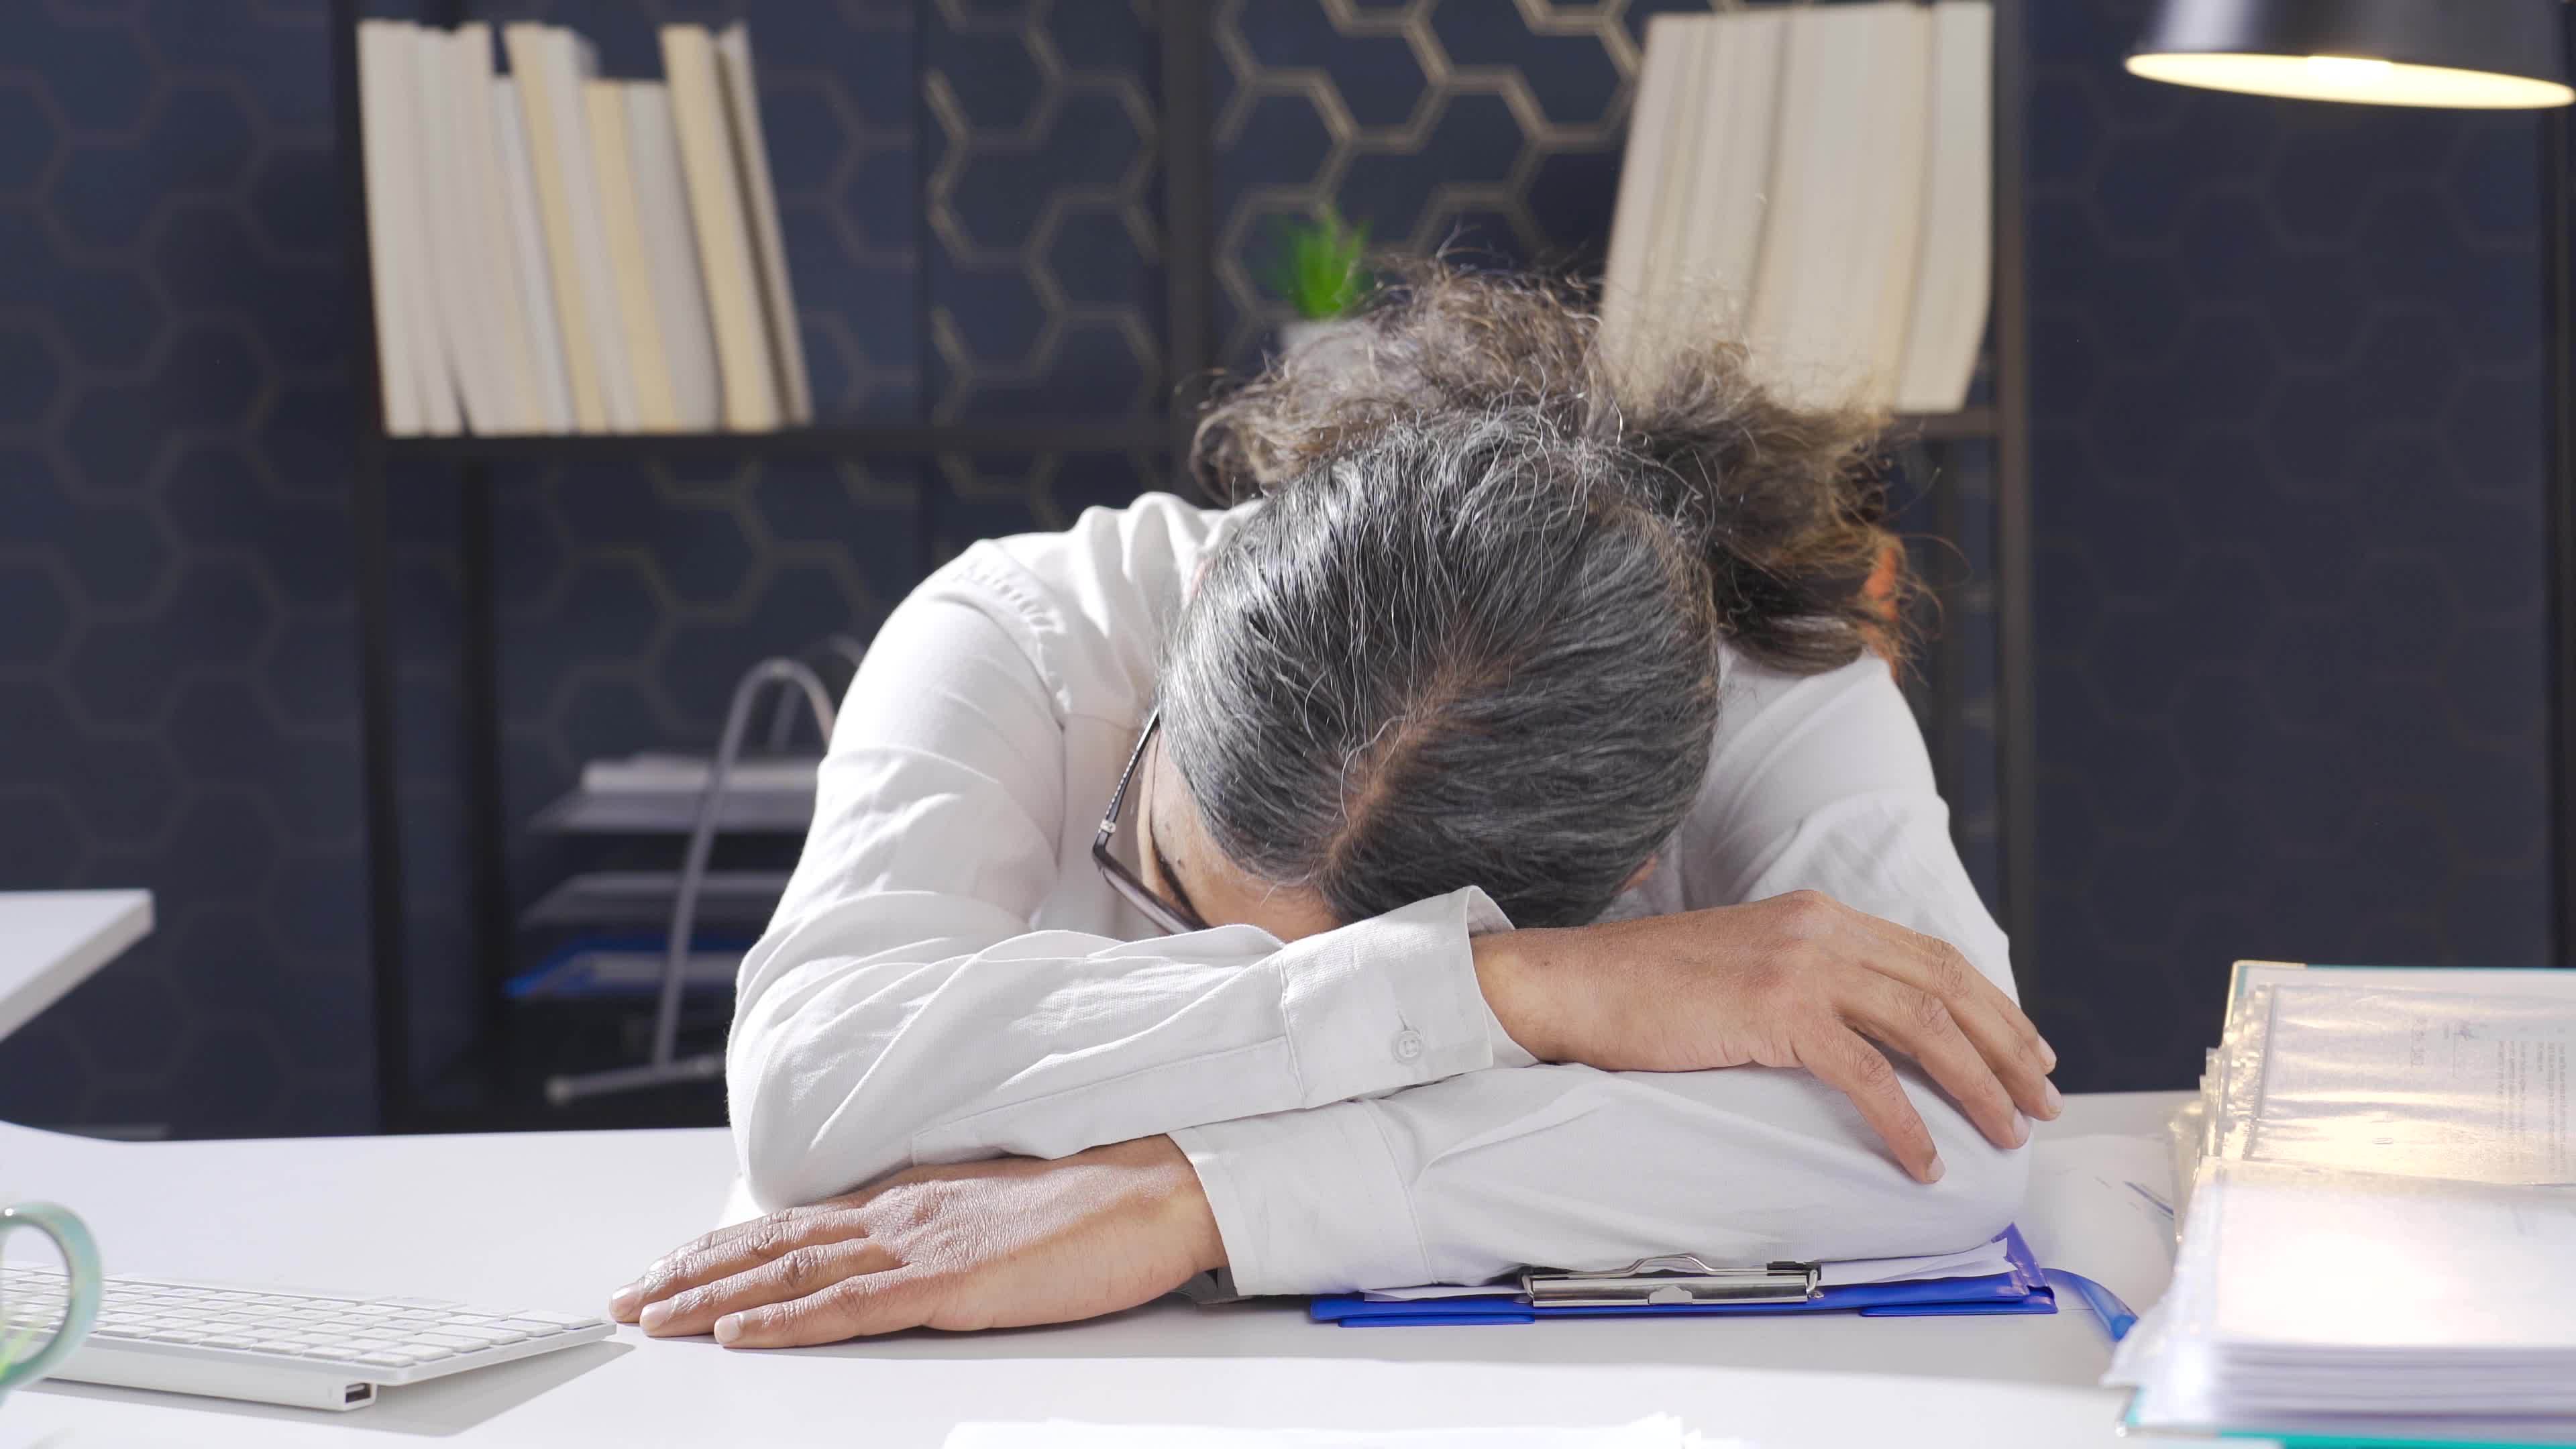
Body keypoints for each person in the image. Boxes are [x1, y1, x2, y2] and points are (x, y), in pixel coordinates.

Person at [609, 266, 2060, 1348]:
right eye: (1170, 881)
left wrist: (1205, 1195)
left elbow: (1954, 1140)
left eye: (1497, 947)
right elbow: (810, 1090)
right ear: (1203, 610)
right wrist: (1508, 993)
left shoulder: (1763, 684)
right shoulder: (1025, 632)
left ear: (1631, 872)